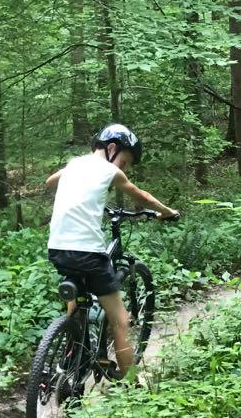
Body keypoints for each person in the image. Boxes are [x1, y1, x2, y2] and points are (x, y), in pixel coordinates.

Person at [46, 124, 179, 378]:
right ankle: (131, 387)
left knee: (77, 291)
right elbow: (143, 197)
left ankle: (75, 345)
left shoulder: (75, 164)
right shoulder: (109, 170)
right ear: (111, 149)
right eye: (125, 162)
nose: (123, 169)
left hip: (57, 248)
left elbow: (50, 181)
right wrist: (168, 212)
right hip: (88, 254)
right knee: (121, 319)